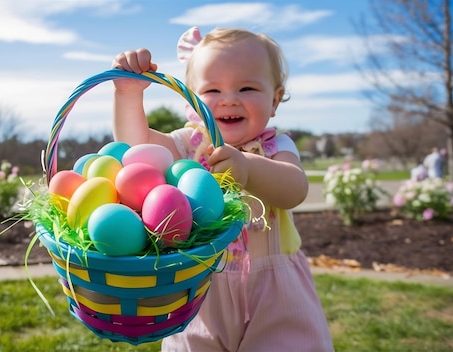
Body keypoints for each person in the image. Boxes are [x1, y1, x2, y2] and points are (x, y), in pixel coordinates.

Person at [111, 26, 333, 351]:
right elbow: (136, 148)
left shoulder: (276, 146)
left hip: (274, 291)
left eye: (246, 87)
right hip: (197, 286)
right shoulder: (190, 144)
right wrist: (129, 94)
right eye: (212, 90)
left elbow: (294, 189)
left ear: (274, 100)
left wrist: (249, 168)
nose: (229, 99)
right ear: (191, 102)